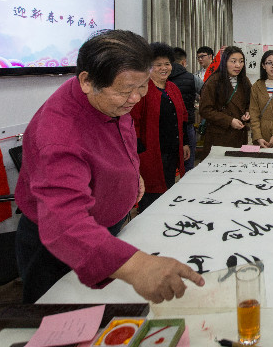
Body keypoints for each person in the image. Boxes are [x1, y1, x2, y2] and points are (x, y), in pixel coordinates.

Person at [15, 30, 204, 304]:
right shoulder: (59, 135)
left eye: (143, 86)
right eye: (126, 91)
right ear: (87, 81)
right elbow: (65, 224)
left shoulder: (108, 99)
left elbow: (119, 139)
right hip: (68, 246)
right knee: (70, 320)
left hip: (110, 227)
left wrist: (132, 172)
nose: (136, 98)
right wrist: (138, 266)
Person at [131, 43, 189, 213]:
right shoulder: (142, 89)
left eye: (167, 64)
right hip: (150, 154)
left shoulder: (173, 88)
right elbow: (133, 122)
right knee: (151, 195)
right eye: (158, 64)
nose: (164, 68)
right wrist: (138, 149)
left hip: (171, 152)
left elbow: (183, 117)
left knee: (168, 190)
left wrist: (185, 142)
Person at [199, 46, 251, 155]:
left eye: (241, 61)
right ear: (224, 62)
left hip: (239, 136)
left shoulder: (244, 81)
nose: (238, 65)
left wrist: (247, 112)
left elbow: (250, 103)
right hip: (219, 137)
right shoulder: (214, 81)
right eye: (233, 61)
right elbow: (205, 110)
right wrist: (229, 121)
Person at [169, 47, 198, 172]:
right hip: (187, 124)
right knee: (188, 160)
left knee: (169, 163)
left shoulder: (162, 78)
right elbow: (206, 94)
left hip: (166, 126)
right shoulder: (192, 78)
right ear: (184, 62)